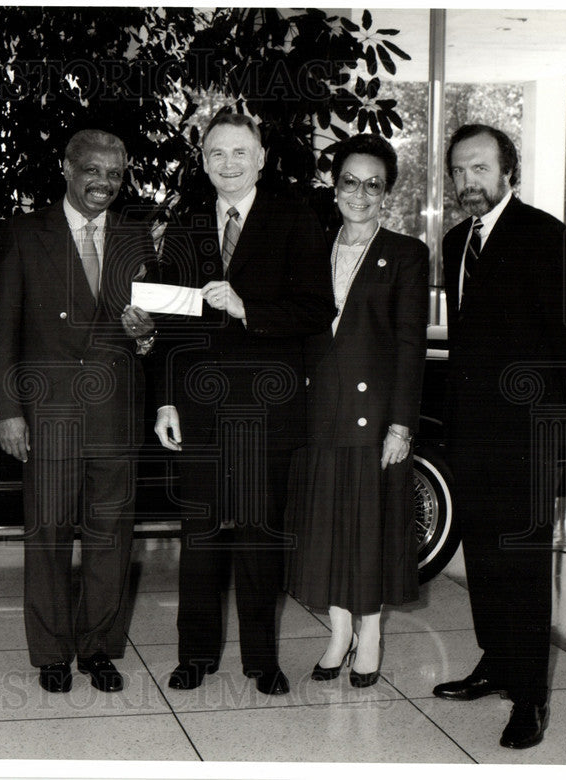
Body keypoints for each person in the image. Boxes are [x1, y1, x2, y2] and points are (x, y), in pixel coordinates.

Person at [150, 109, 336, 695]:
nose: (226, 165)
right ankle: (195, 655)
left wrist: (246, 307)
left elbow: (315, 310)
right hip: (199, 407)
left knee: (259, 535)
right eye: (214, 154)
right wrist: (165, 403)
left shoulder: (295, 219)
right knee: (200, 534)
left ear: (260, 158)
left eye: (238, 153)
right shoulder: (183, 227)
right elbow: (168, 320)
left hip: (268, 406)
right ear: (202, 162)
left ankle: (262, 660)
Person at [432, 125, 566, 748]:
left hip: (529, 437)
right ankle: (496, 662)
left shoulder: (542, 236)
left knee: (523, 567)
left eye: (479, 168)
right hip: (472, 433)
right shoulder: (455, 242)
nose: (467, 181)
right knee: (484, 557)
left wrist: (562, 438)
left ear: (508, 172)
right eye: (458, 171)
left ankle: (530, 697)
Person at [0, 130, 156, 694]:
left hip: (115, 416)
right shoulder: (24, 234)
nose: (104, 182)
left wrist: (148, 333)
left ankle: (99, 650)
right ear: (65, 167)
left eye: (115, 172)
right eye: (92, 170)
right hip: (46, 416)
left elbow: (158, 326)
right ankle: (52, 653)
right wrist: (8, 410)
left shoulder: (136, 238)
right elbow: (1, 330)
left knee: (111, 539)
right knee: (49, 536)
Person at [284, 134, 429, 688]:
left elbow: (410, 345)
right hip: (320, 411)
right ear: (334, 184)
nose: (360, 194)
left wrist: (401, 424)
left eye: (374, 184)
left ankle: (369, 635)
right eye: (350, 181)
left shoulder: (408, 253)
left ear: (386, 191)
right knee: (327, 528)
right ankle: (338, 633)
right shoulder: (312, 245)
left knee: (369, 530)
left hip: (375, 420)